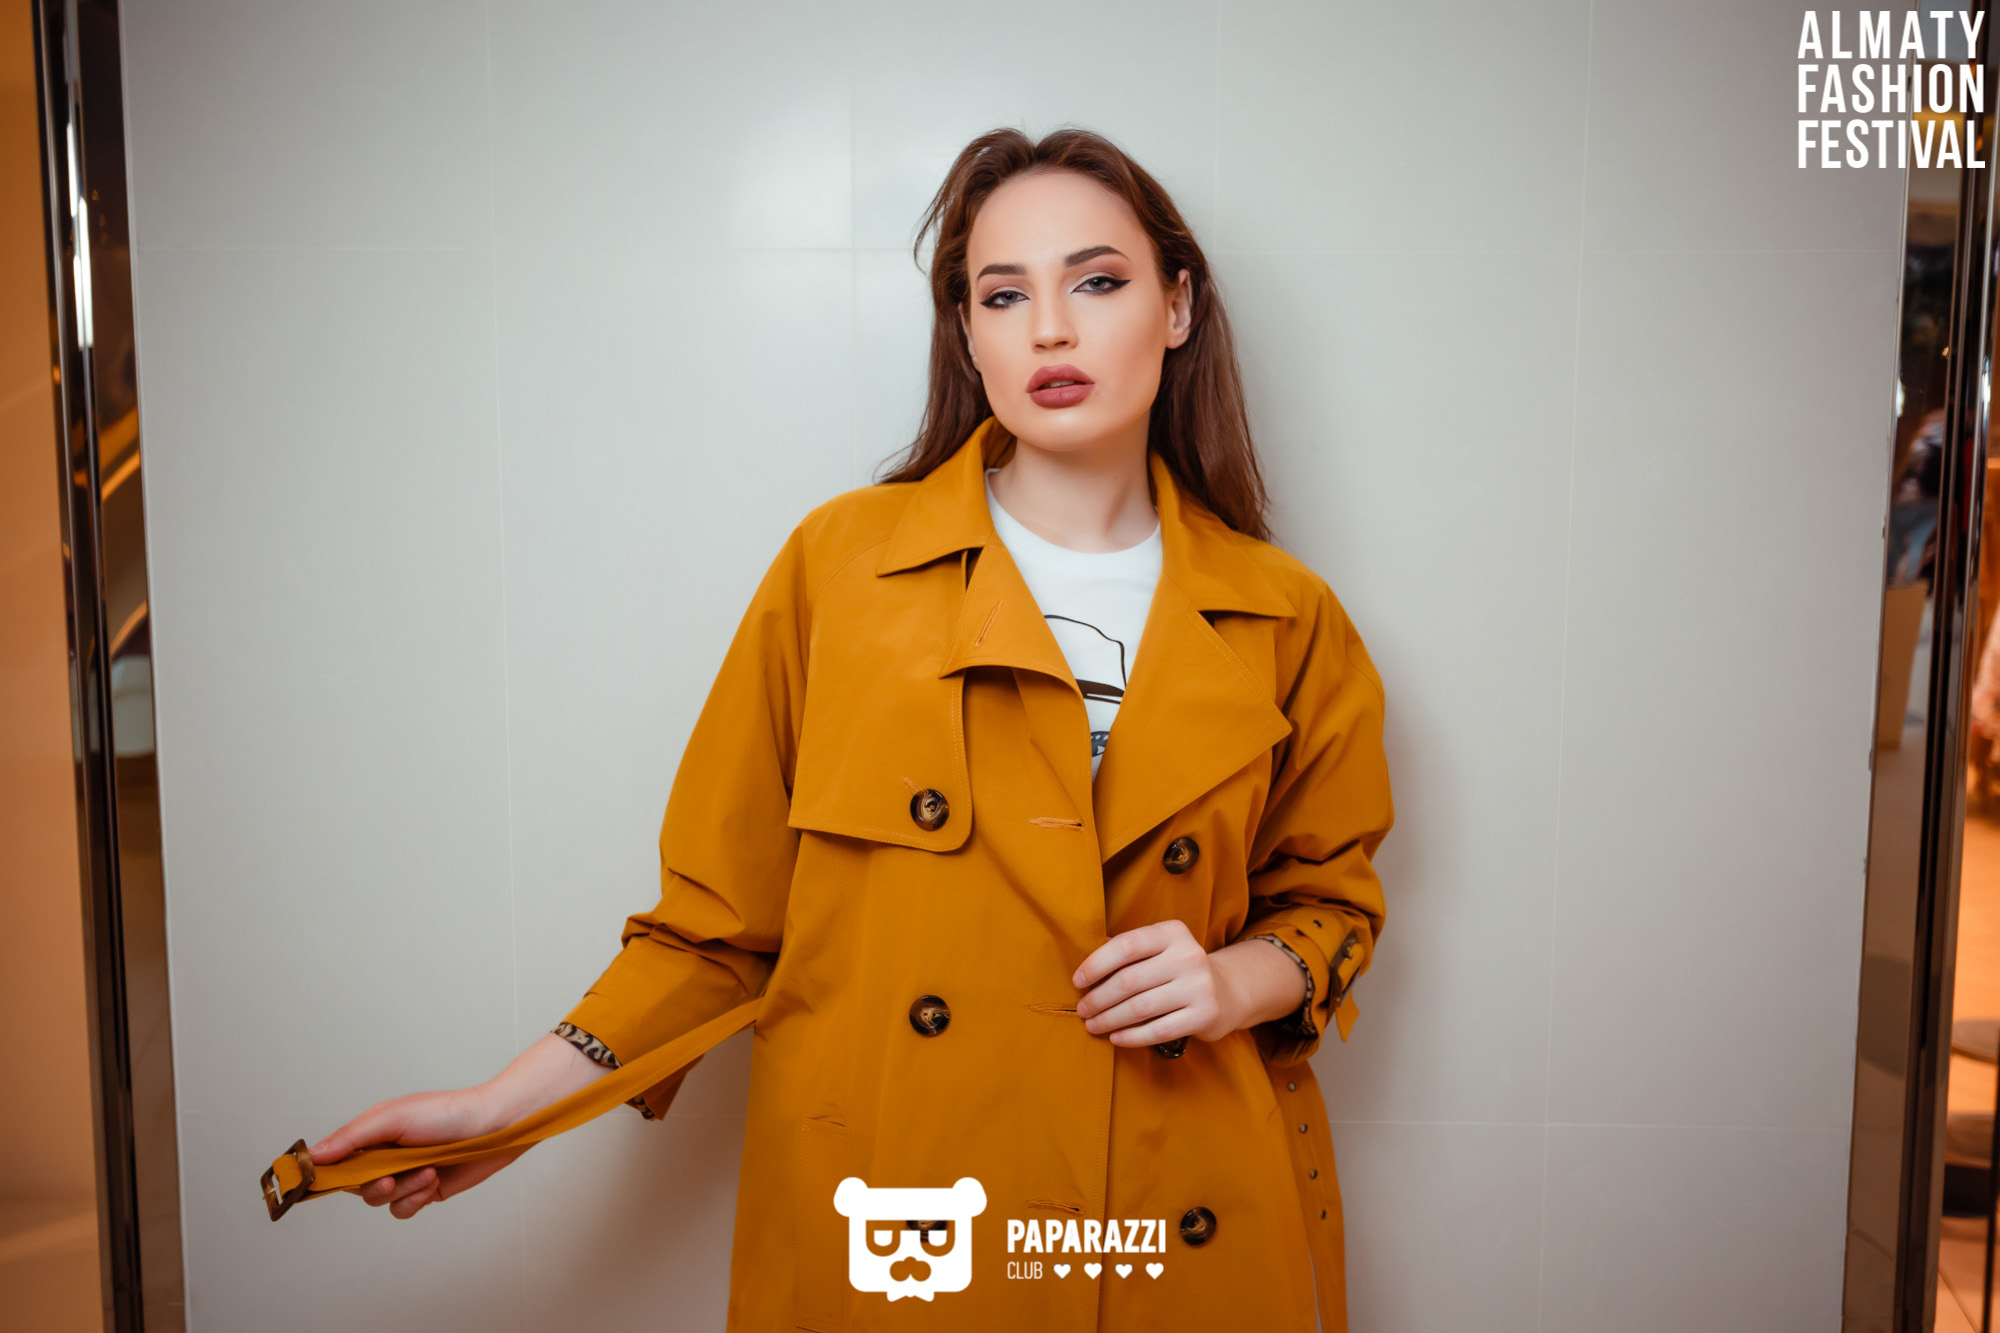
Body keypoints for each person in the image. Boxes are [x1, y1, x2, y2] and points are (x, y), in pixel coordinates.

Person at [308, 126, 1394, 1332]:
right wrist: (507, 1109)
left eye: (1096, 281)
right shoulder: (842, 570)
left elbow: (1331, 904)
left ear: (1176, 306)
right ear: (965, 333)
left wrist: (1233, 980)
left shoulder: (1284, 614)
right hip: (910, 1219)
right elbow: (715, 927)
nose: (1049, 329)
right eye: (1002, 294)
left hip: (1178, 1216)